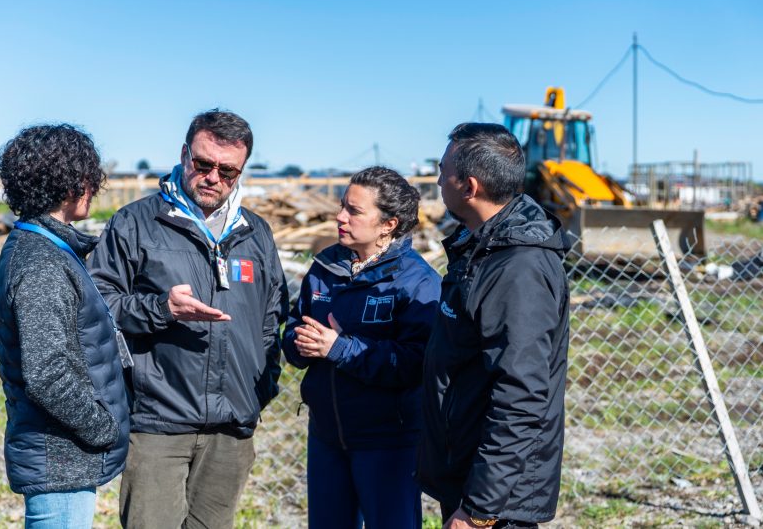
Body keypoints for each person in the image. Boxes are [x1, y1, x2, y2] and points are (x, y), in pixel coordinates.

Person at [88, 108, 288, 529]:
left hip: (231, 425)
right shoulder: (135, 223)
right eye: (203, 163)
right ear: (184, 155)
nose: (213, 177)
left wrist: (259, 390)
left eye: (228, 171)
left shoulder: (256, 233)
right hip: (157, 422)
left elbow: (272, 318)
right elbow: (98, 305)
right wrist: (161, 309)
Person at [417, 123, 571, 529]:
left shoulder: (518, 268)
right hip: (470, 471)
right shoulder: (481, 248)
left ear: (470, 186)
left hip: (498, 497)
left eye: (443, 170)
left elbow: (520, 395)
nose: (438, 180)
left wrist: (479, 510)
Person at [282, 166, 441, 528]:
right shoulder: (325, 267)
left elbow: (416, 363)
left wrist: (339, 348)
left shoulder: (417, 283)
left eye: (354, 211)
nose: (340, 216)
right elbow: (293, 328)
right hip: (327, 436)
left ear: (388, 224)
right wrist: (300, 343)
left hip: (388, 442)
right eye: (342, 206)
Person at [0, 124, 131, 528]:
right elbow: (47, 375)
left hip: (61, 456)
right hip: (58, 460)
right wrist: (102, 427)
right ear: (70, 183)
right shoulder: (42, 264)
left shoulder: (44, 249)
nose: (94, 187)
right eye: (89, 177)